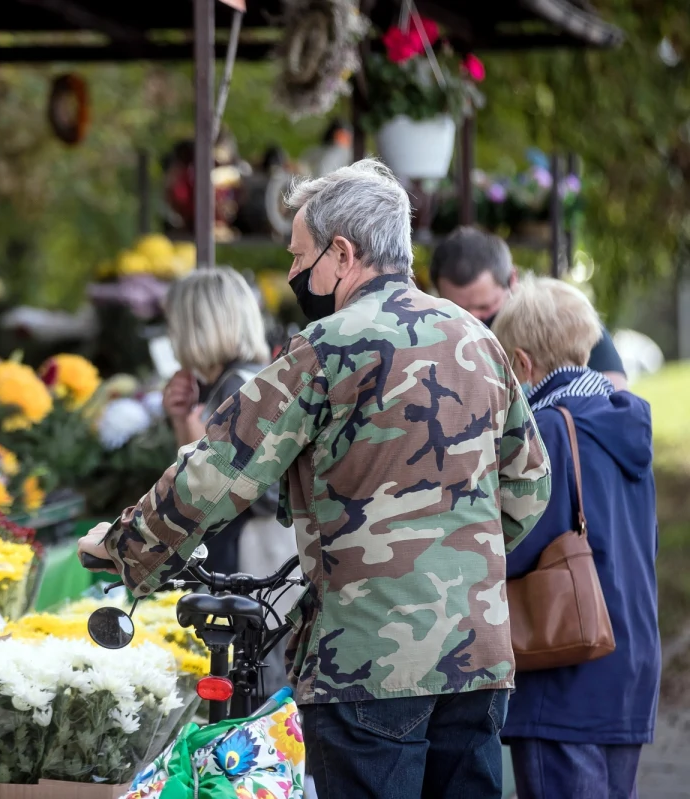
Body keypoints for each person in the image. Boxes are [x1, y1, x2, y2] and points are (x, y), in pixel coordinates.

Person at [79, 159, 552, 799]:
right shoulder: (477, 339)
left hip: (366, 660)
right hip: (477, 655)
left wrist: (127, 547)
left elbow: (220, 470)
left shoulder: (326, 347)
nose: (296, 273)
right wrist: (455, 556)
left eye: (300, 257)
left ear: (343, 252)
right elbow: (529, 488)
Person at [492, 275, 660, 799]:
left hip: (564, 665)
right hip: (629, 660)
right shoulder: (624, 423)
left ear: (521, 363)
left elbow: (514, 550)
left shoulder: (545, 433)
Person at [161, 266, 278, 577]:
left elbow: (215, 489)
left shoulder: (239, 389)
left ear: (197, 325)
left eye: (174, 323)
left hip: (249, 554)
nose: (170, 336)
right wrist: (183, 417)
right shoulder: (240, 381)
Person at [431, 227, 629, 390]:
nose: (472, 319)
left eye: (485, 307)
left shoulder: (555, 314)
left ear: (512, 279)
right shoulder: (430, 334)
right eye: (458, 310)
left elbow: (615, 391)